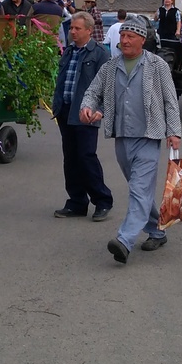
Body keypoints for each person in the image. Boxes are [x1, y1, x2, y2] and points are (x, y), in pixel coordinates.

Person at [79, 15, 182, 264]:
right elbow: (93, 92)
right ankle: (157, 231)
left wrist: (174, 131)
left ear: (142, 40)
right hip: (122, 137)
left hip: (149, 136)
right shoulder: (110, 67)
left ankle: (124, 240)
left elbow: (170, 100)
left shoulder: (157, 66)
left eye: (130, 36)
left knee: (138, 189)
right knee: (140, 190)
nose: (124, 41)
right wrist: (87, 107)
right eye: (122, 36)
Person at [52, 11, 114, 221]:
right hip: (66, 111)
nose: (73, 32)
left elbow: (109, 86)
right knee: (70, 159)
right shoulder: (68, 51)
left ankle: (102, 201)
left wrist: (101, 111)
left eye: (77, 28)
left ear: (89, 30)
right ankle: (77, 202)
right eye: (71, 28)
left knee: (86, 157)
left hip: (86, 112)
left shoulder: (99, 54)